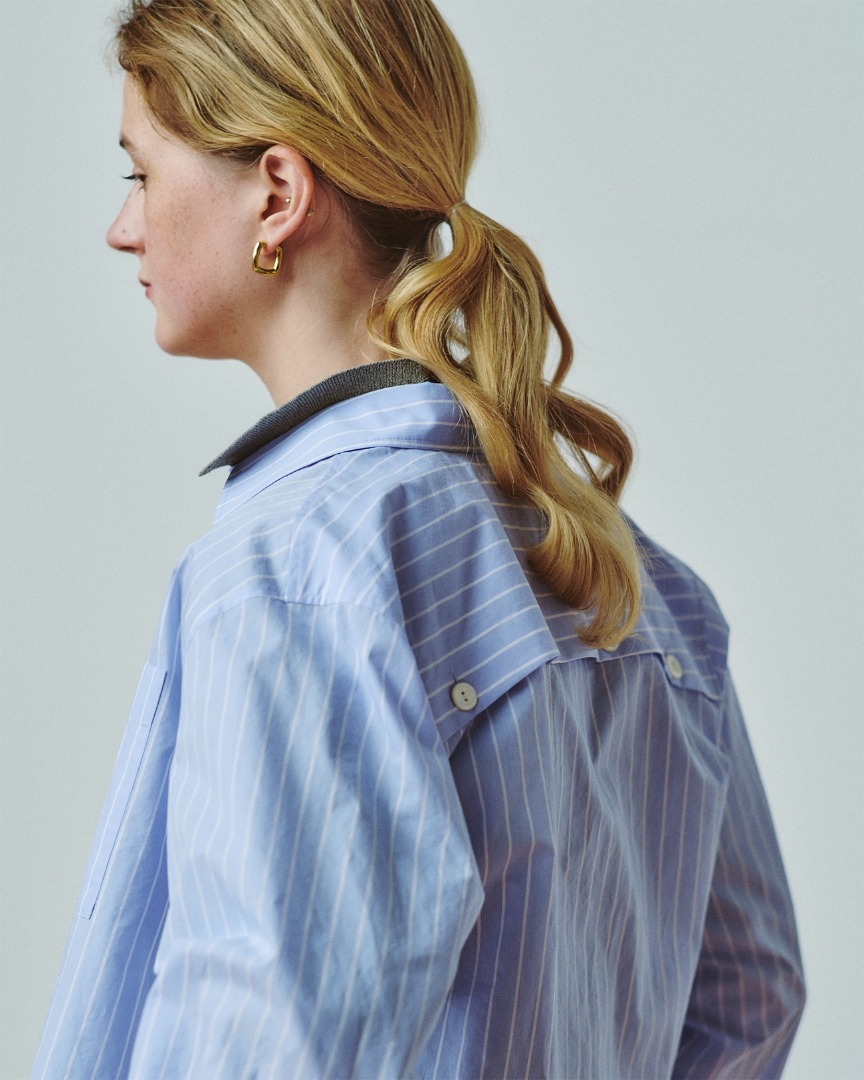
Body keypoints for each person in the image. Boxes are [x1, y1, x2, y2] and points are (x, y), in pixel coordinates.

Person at [32, 1, 805, 1077]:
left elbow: (275, 1041)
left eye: (141, 173)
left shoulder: (298, 569)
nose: (123, 226)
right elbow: (750, 999)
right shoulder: (646, 585)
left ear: (277, 193)